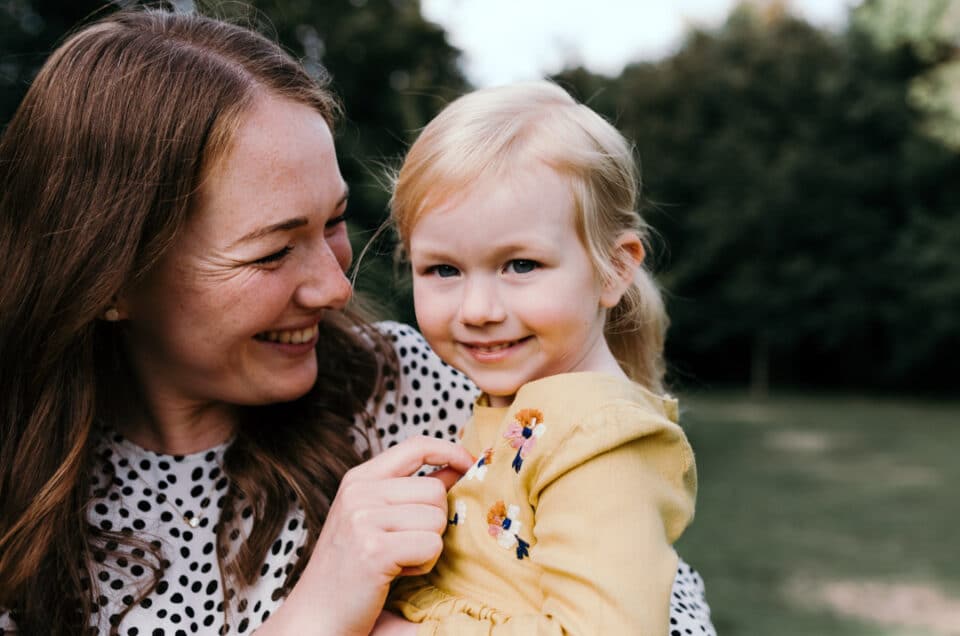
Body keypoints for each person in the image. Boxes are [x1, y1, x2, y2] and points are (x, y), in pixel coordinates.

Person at [0, 7, 713, 635]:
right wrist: (315, 616)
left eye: (335, 222)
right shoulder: (22, 491)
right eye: (274, 251)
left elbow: (662, 615)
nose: (337, 287)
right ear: (112, 282)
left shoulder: (423, 389)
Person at [378, 81, 708, 635]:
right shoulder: (515, 409)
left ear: (614, 269)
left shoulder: (602, 443)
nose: (478, 309)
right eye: (443, 270)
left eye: (521, 265)